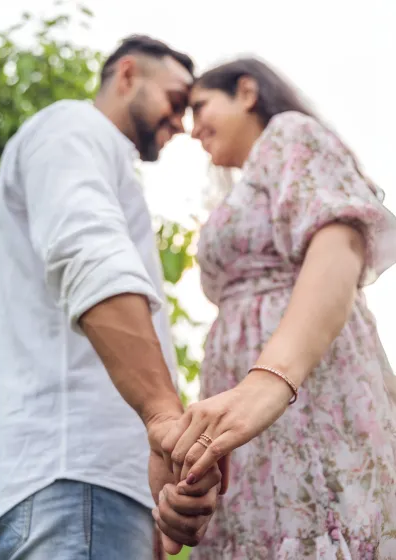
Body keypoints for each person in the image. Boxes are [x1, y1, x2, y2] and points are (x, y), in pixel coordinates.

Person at [0, 35, 222, 560]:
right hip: (76, 481)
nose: (180, 123)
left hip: (76, 487)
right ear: (128, 76)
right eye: (176, 101)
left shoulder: (86, 151)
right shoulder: (72, 128)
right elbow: (87, 251)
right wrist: (162, 419)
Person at [157, 58, 396, 558]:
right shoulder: (241, 187)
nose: (193, 127)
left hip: (303, 393)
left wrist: (268, 381)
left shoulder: (289, 134)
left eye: (201, 106)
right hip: (247, 412)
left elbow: (338, 242)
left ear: (247, 92)